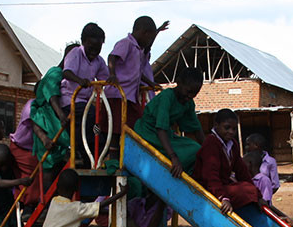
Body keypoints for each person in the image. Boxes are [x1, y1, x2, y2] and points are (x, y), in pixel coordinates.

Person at [193, 109, 263, 227]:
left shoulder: (231, 144)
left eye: (233, 128)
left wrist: (257, 193)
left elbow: (241, 170)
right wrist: (223, 197)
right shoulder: (211, 144)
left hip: (224, 186)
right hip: (208, 189)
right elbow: (211, 175)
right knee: (245, 193)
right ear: (216, 126)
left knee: (248, 190)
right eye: (227, 127)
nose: (231, 132)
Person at [103, 16, 168, 153]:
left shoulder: (138, 50)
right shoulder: (126, 43)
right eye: (149, 38)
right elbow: (112, 57)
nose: (149, 42)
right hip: (117, 94)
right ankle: (114, 155)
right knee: (116, 127)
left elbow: (138, 73)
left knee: (136, 124)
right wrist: (113, 74)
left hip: (129, 96)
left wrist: (150, 83)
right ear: (143, 33)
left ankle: (128, 153)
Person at [133, 67, 205, 180]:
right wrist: (173, 157)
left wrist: (210, 151)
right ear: (179, 82)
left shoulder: (188, 103)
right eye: (189, 91)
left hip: (167, 135)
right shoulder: (167, 97)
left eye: (195, 93)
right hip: (149, 133)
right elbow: (160, 128)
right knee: (187, 153)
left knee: (196, 149)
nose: (190, 96)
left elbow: (196, 129)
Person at [62, 23, 109, 166]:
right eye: (91, 47)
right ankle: (90, 150)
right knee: (90, 117)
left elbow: (105, 79)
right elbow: (67, 72)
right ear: (83, 42)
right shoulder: (76, 53)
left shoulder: (99, 61)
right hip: (70, 99)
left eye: (98, 48)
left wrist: (112, 80)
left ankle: (98, 150)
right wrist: (79, 80)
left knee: (101, 117)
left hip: (86, 103)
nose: (94, 51)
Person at [32, 43, 76, 192]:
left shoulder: (69, 77)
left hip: (57, 128)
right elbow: (52, 96)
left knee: (58, 166)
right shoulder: (55, 72)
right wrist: (62, 115)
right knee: (48, 168)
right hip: (48, 126)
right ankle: (45, 204)